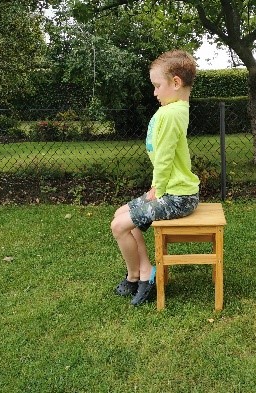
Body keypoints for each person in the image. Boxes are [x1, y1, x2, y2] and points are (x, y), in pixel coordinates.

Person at [110, 50, 200, 306]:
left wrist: (156, 189)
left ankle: (136, 276)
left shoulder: (171, 113)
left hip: (177, 197)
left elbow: (164, 158)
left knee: (119, 226)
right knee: (121, 216)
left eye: (157, 85)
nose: (155, 92)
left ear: (175, 83)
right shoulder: (176, 109)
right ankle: (143, 272)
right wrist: (158, 187)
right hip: (172, 191)